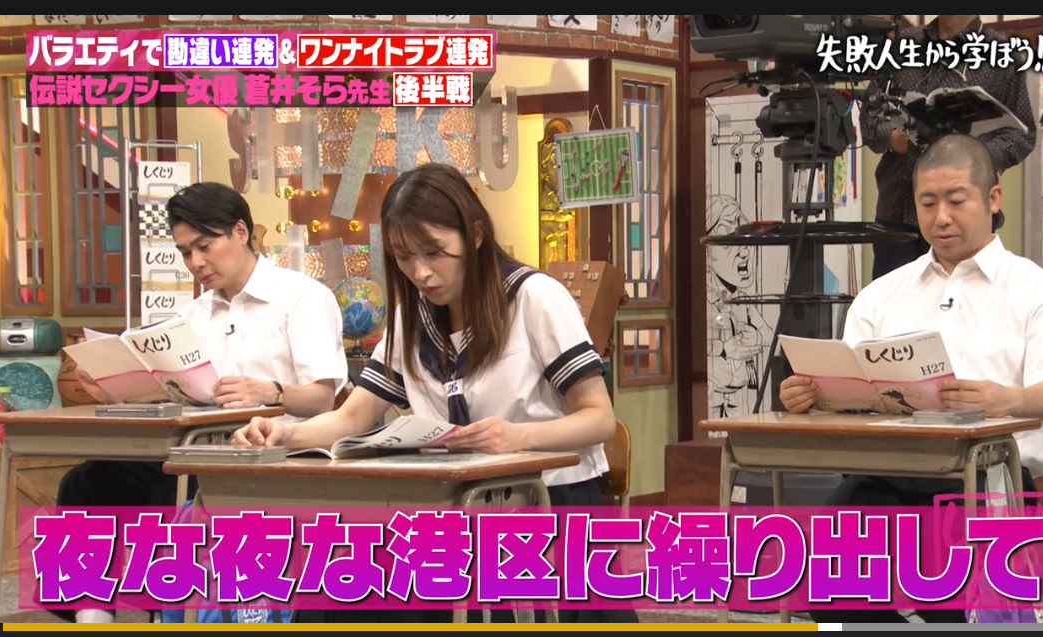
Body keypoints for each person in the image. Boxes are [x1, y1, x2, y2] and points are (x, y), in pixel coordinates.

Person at [231, 162, 638, 624]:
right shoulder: (412, 319)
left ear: (475, 235)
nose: (421, 272)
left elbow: (599, 418)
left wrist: (517, 437)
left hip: (544, 506)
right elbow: (352, 418)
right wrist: (284, 435)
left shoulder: (533, 297)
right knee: (337, 589)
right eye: (404, 258)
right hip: (449, 511)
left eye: (434, 252)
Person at [778, 134, 1043, 623]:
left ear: (992, 198)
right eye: (928, 203)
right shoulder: (881, 295)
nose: (941, 217)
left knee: (955, 601)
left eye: (956, 201)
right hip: (885, 474)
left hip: (986, 480)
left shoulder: (1037, 291)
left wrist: (1003, 399)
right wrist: (811, 396)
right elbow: (851, 388)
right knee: (824, 580)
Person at [56, 182, 349, 623]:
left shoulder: (302, 297)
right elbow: (174, 395)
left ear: (240, 232)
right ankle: (93, 614)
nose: (196, 263)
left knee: (177, 492)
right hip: (200, 450)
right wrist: (112, 389)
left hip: (278, 453)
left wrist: (271, 391)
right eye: (185, 253)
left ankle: (170, 607)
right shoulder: (191, 317)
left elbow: (325, 399)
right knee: (86, 482)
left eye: (204, 247)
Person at [860, 15, 1036, 279]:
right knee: (893, 300)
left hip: (965, 215)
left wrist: (972, 157)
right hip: (897, 211)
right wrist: (896, 140)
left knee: (967, 299)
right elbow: (869, 120)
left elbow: (1022, 135)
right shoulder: (902, 45)